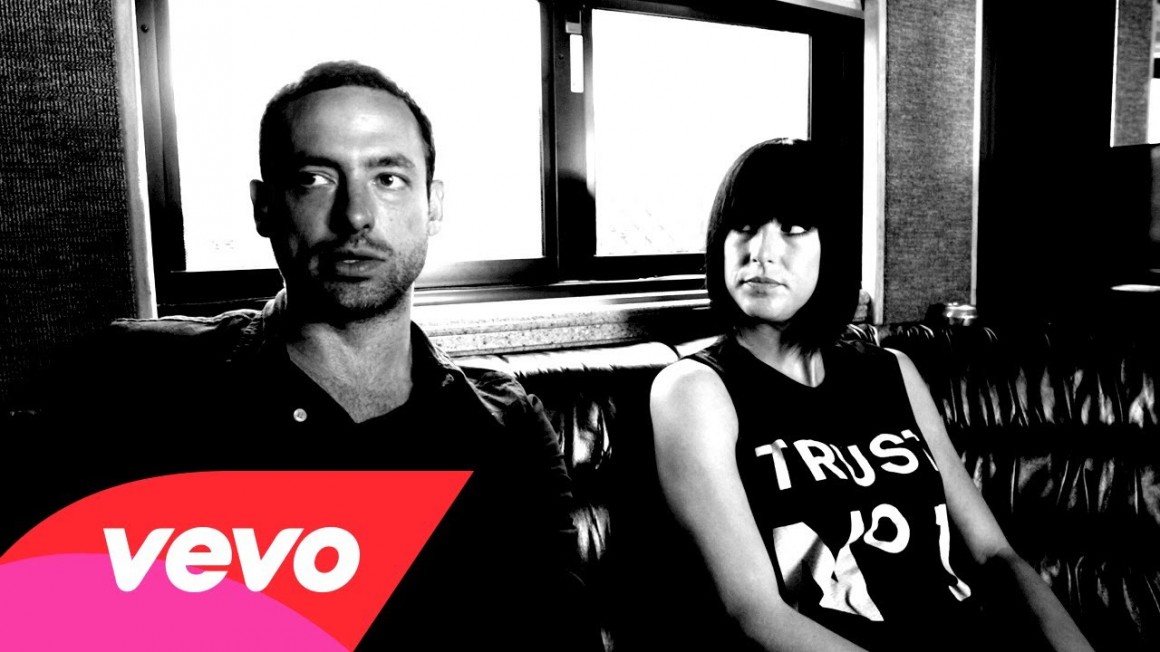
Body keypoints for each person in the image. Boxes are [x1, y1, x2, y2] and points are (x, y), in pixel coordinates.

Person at [24, 60, 599, 651]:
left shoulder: (506, 426)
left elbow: (560, 642)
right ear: (264, 207)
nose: (355, 216)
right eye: (315, 178)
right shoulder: (139, 381)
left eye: (389, 178)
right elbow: (46, 617)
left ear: (433, 204)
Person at [646, 139, 1097, 651]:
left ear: (834, 246)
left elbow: (995, 555)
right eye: (744, 225)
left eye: (794, 228)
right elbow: (755, 612)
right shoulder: (695, 391)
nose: (762, 251)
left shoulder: (892, 371)